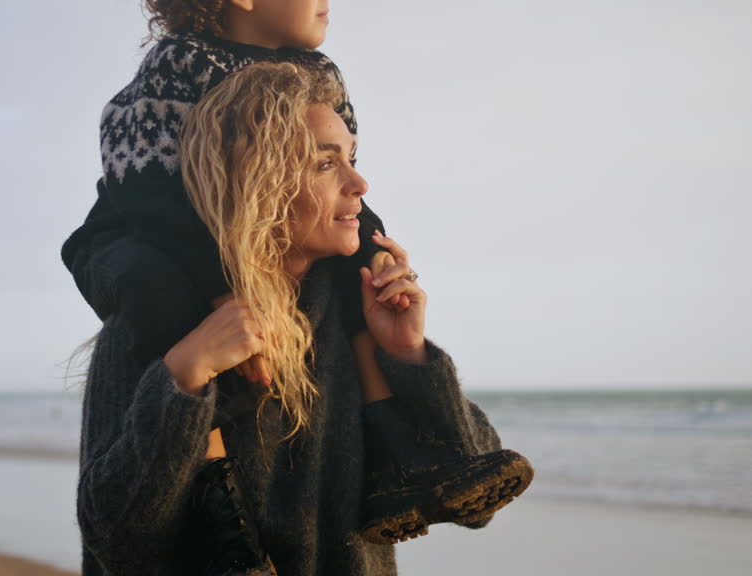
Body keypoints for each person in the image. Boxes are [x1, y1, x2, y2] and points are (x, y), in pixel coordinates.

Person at [77, 63, 531, 576]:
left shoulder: (353, 316)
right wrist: (181, 380)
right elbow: (113, 541)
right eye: (324, 164)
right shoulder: (156, 323)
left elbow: (479, 500)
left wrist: (410, 354)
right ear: (257, 182)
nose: (359, 183)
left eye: (352, 159)